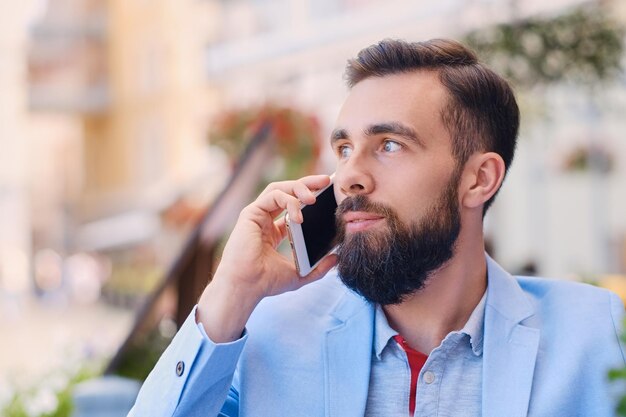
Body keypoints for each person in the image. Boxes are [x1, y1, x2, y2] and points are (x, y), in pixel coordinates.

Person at [128, 39, 625, 417]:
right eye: (344, 149)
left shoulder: (595, 333)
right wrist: (229, 294)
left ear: (479, 178)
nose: (349, 176)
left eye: (389, 145)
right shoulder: (268, 333)